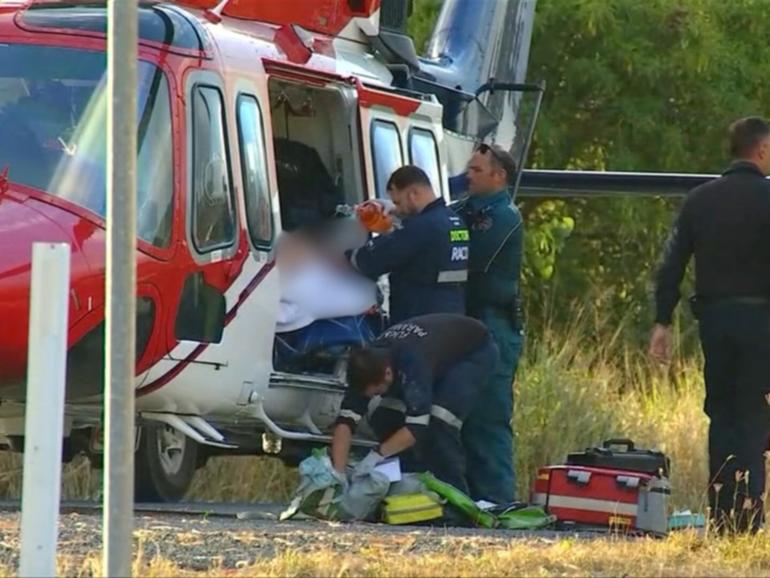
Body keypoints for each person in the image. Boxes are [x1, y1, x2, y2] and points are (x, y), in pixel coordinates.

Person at [649, 116, 770, 533]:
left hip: (715, 321)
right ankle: (749, 518)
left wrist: (663, 321)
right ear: (761, 150)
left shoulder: (699, 200)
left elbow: (671, 265)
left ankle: (721, 515)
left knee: (721, 414)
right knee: (754, 415)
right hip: (761, 322)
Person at [330, 314, 499, 494]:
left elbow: (416, 428)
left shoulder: (412, 361)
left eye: (377, 391)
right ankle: (403, 484)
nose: (373, 396)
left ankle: (453, 497)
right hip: (434, 353)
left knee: (439, 421)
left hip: (473, 352)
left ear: (387, 374)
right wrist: (338, 475)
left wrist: (376, 455)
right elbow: (344, 423)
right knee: (386, 416)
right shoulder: (366, 363)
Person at [451, 143, 524, 505]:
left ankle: (497, 501)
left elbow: (473, 256)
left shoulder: (504, 216)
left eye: (477, 170)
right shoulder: (463, 209)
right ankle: (465, 499)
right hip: (465, 323)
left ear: (499, 176)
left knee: (488, 418)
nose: (469, 175)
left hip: (494, 325)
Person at [347, 165, 469, 324]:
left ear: (413, 194)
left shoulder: (422, 227)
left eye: (397, 202)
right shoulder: (455, 221)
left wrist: (345, 254)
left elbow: (370, 260)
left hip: (420, 321)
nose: (396, 208)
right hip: (451, 317)